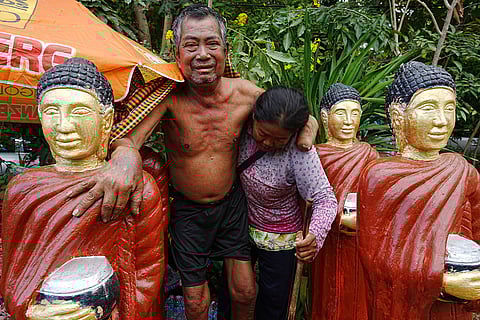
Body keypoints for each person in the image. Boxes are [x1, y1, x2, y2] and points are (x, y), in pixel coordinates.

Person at [67, 5, 318, 320]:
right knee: (197, 302)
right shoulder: (167, 97)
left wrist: (307, 137)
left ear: (225, 51)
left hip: (232, 205)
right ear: (177, 51)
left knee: (245, 292)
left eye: (212, 44)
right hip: (188, 210)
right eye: (191, 45)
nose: (203, 54)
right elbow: (127, 138)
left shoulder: (245, 94)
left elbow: (297, 116)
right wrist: (125, 157)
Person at [0, 58, 168, 320]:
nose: (64, 127)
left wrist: (111, 310)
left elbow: (147, 273)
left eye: (79, 112)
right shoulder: (23, 189)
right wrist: (31, 310)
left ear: (106, 119)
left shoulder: (135, 187)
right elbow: (12, 274)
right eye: (52, 112)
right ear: (40, 117)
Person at [357, 61, 480, 319]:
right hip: (406, 307)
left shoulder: (461, 170)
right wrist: (440, 282)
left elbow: (474, 232)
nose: (441, 121)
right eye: (427, 108)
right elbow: (375, 259)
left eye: (450, 108)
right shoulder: (379, 175)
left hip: (454, 307)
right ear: (398, 116)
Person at [236, 87, 337, 320]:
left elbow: (325, 198)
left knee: (273, 304)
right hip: (240, 225)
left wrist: (315, 234)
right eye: (263, 133)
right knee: (235, 292)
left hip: (281, 237)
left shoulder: (299, 152)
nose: (268, 143)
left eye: (279, 139)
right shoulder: (240, 127)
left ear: (293, 134)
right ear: (254, 118)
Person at [311, 83, 378, 320]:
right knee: (327, 293)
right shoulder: (316, 154)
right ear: (325, 117)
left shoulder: (370, 154)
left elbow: (378, 197)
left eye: (355, 113)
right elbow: (306, 200)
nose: (349, 121)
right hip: (325, 240)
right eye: (341, 113)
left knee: (356, 295)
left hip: (359, 242)